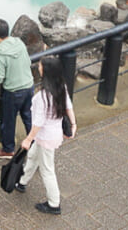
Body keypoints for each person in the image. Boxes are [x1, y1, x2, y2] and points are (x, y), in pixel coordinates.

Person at [17, 55, 75, 216]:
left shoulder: (42, 97)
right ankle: (22, 182)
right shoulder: (60, 87)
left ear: (46, 71)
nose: (38, 67)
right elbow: (68, 106)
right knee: (34, 156)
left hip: (45, 137)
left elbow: (38, 122)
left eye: (41, 66)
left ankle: (54, 203)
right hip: (52, 134)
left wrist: (28, 139)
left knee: (47, 170)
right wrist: (74, 124)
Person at [0, 18, 33, 159]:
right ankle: (35, 143)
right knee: (28, 117)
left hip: (14, 92)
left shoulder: (1, 53)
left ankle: (8, 150)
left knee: (9, 121)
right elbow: (28, 61)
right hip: (28, 86)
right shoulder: (19, 43)